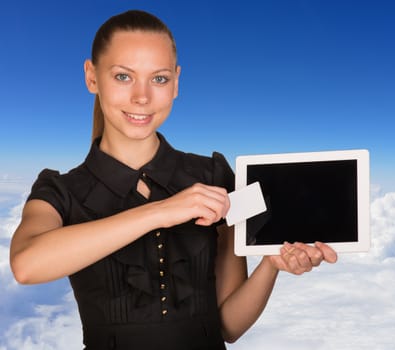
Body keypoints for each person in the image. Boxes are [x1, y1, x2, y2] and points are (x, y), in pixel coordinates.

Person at [9, 10, 337, 350]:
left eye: (159, 79)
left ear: (176, 83)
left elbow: (228, 326)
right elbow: (27, 265)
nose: (142, 97)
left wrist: (270, 265)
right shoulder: (60, 190)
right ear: (92, 77)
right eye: (123, 76)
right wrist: (161, 211)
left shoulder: (213, 176)